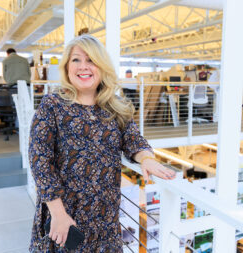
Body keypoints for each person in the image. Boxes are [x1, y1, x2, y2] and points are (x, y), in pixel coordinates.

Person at [28, 34, 176, 252]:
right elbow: (40, 161)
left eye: (91, 60)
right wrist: (58, 214)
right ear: (67, 67)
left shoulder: (115, 107)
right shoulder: (53, 105)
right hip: (66, 219)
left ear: (102, 66)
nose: (83, 67)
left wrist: (147, 158)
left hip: (105, 222)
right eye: (76, 60)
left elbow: (133, 138)